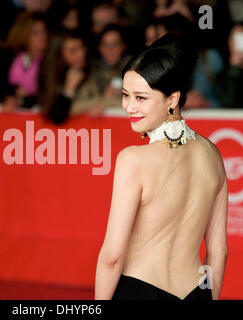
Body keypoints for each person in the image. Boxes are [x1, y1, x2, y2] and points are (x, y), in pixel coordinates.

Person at [95, 33, 228, 300]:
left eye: (141, 98)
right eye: (125, 95)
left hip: (140, 291)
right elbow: (218, 250)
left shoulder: (133, 159)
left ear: (172, 99)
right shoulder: (212, 153)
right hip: (196, 292)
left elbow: (112, 256)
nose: (129, 107)